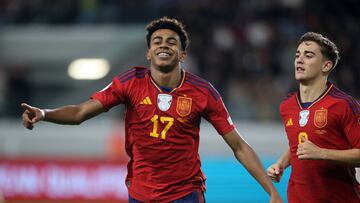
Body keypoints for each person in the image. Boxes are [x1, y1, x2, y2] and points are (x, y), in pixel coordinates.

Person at [21, 17, 282, 203]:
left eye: (171, 41)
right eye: (157, 41)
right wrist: (44, 114)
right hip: (141, 195)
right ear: (148, 53)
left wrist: (270, 191)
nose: (163, 44)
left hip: (186, 194)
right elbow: (80, 113)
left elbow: (238, 146)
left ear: (182, 54)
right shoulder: (129, 83)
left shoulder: (203, 92)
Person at [267, 32, 360, 202]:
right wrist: (281, 164)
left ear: (326, 66)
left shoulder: (344, 105)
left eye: (308, 55)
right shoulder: (287, 105)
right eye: (297, 55)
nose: (299, 60)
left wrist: (322, 153)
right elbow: (299, 144)